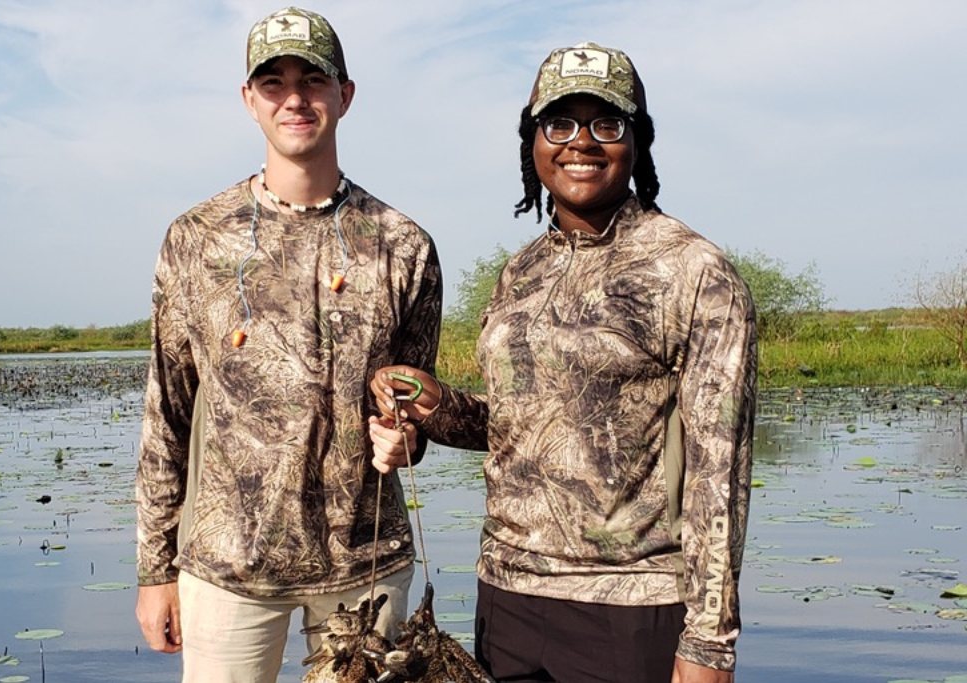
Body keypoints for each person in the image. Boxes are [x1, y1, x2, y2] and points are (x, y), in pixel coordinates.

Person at [369, 42, 757, 683]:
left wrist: (710, 642)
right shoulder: (520, 272)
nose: (581, 142)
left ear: (637, 141)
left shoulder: (694, 272)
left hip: (632, 606)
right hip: (507, 596)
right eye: (559, 124)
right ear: (533, 143)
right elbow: (519, 426)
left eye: (606, 124)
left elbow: (721, 473)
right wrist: (439, 407)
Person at [134, 7, 442, 682]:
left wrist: (406, 438)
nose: (294, 99)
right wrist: (155, 569)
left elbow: (416, 413)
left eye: (314, 80)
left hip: (366, 566)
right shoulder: (197, 239)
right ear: (250, 100)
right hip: (228, 568)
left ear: (345, 95)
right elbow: (167, 414)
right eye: (274, 82)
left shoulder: (404, 246)